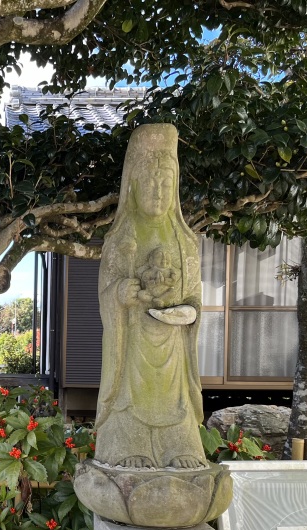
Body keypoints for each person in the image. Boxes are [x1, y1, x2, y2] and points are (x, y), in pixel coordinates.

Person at [94, 123, 208, 470]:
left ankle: (179, 445)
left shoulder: (184, 241)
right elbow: (105, 295)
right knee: (130, 394)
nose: (158, 192)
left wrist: (190, 312)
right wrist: (119, 293)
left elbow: (194, 295)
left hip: (173, 344)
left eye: (165, 183)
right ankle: (127, 443)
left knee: (176, 397)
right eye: (150, 182)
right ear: (133, 184)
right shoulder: (121, 239)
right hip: (132, 344)